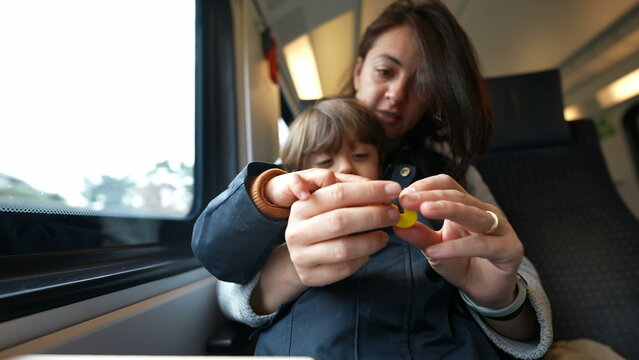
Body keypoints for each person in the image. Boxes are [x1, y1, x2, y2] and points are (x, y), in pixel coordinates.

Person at [192, 0, 552, 358]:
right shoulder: (297, 166)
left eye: (423, 83)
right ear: (359, 69)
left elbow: (516, 280)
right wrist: (288, 272)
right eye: (385, 71)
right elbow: (226, 278)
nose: (397, 95)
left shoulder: (455, 173)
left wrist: (496, 300)